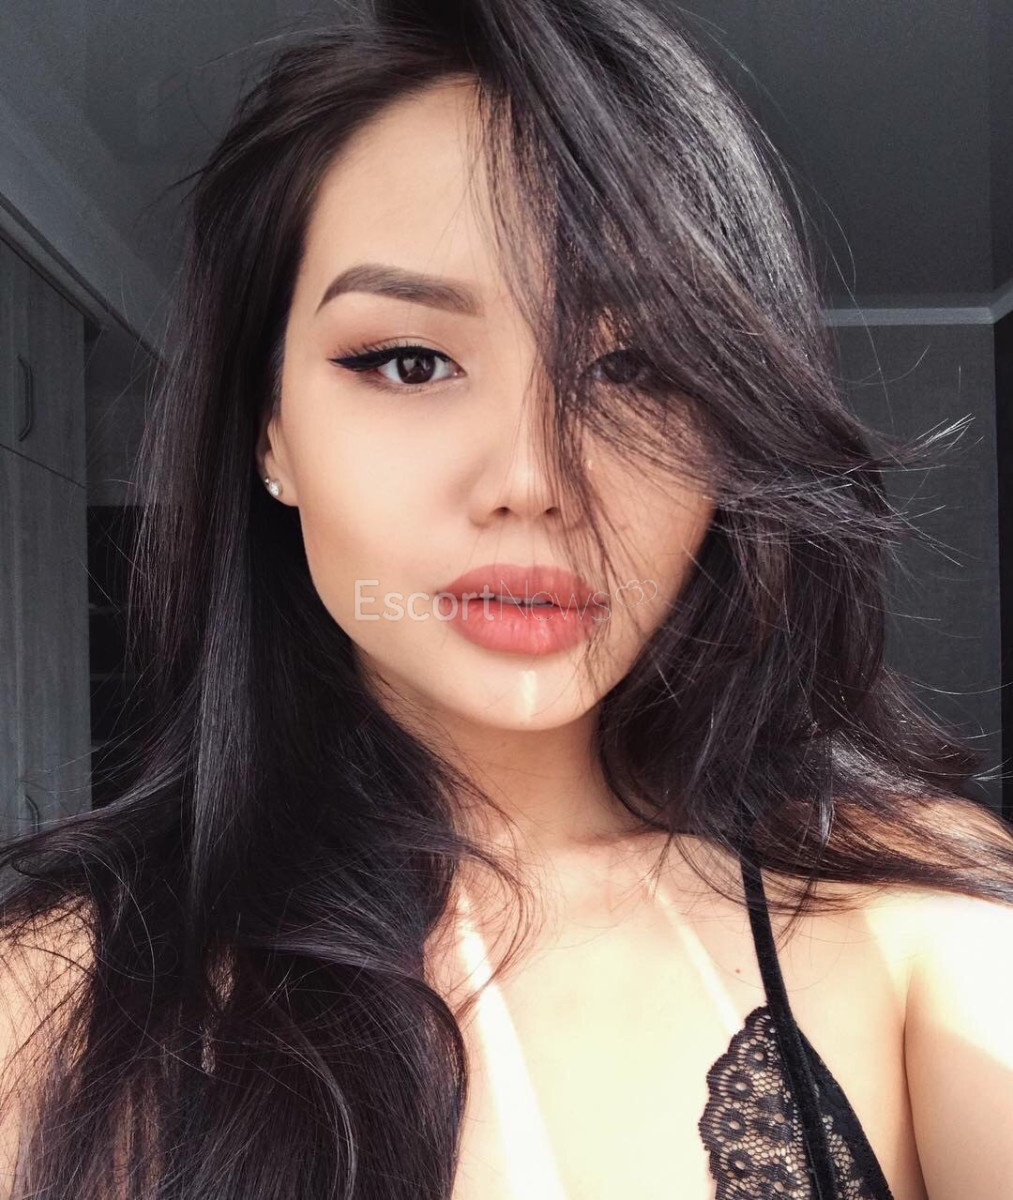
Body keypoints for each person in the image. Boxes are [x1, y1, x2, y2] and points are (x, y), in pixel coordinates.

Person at [1, 1, 1012, 1197]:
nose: (533, 482)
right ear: (268, 429)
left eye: (636, 368)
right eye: (410, 361)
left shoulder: (902, 909)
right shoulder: (50, 998)